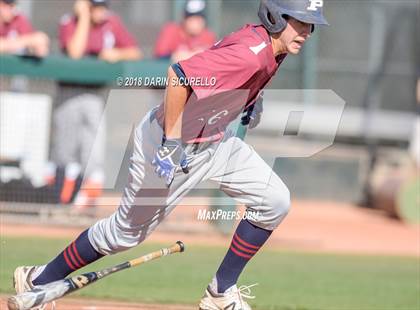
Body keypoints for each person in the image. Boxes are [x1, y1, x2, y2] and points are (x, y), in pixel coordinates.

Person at [13, 1, 328, 309]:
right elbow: (178, 76)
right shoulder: (250, 54)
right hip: (171, 144)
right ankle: (39, 279)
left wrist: (251, 98)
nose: (307, 31)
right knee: (124, 234)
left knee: (273, 201)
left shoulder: (273, 45)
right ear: (275, 17)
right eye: (299, 21)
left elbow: (227, 71)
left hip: (215, 141)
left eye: (311, 24)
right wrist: (172, 143)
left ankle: (221, 291)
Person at [49, 0, 142, 206]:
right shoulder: (70, 21)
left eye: (104, 6)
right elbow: (75, 52)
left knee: (92, 148)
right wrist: (83, 17)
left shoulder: (111, 23)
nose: (102, 11)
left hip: (94, 92)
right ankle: (58, 201)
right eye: (96, 6)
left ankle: (80, 201)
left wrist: (116, 53)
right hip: (69, 90)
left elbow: (135, 51)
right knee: (65, 148)